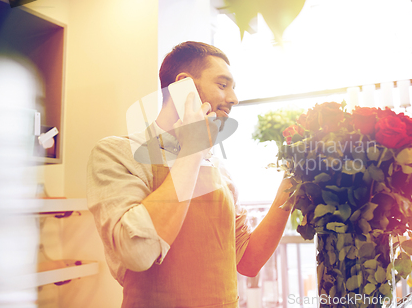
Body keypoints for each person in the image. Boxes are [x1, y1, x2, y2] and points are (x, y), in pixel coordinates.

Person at [87, 41, 292, 308]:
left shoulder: (220, 171)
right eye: (222, 84)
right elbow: (138, 252)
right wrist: (192, 150)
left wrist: (292, 182)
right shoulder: (117, 153)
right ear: (184, 87)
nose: (234, 99)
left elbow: (248, 261)